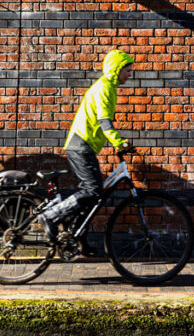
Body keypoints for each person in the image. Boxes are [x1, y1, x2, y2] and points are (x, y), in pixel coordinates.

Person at [38, 49, 135, 239]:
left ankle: (77, 236)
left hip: (84, 146)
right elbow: (104, 121)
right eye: (128, 70)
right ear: (117, 69)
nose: (130, 74)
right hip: (80, 145)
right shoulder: (104, 88)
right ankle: (50, 216)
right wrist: (120, 143)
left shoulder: (108, 87)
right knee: (93, 191)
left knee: (94, 195)